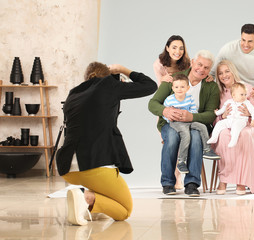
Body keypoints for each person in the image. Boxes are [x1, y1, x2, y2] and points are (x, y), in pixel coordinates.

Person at [56, 62, 157, 225]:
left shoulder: (74, 93)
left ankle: (91, 204)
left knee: (107, 193)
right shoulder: (108, 86)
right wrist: (123, 70)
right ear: (108, 76)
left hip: (68, 168)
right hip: (96, 166)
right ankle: (85, 197)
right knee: (125, 210)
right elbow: (150, 86)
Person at [148, 50, 220, 197]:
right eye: (199, 64)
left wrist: (191, 116)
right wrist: (165, 111)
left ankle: (192, 184)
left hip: (196, 124)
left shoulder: (210, 86)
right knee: (173, 138)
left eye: (206, 68)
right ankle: (168, 183)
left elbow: (211, 114)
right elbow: (152, 103)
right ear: (192, 62)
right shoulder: (174, 79)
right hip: (171, 124)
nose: (202, 69)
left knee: (195, 137)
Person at [212, 23, 254, 140]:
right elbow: (214, 70)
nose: (245, 45)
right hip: (235, 88)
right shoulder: (229, 48)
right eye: (243, 40)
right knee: (229, 124)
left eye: (250, 41)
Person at [212, 60, 254, 195]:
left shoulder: (248, 89)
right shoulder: (219, 93)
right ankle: (223, 179)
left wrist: (249, 115)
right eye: (220, 73)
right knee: (223, 135)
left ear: (233, 72)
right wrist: (222, 115)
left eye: (227, 71)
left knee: (243, 135)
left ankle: (241, 181)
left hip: (247, 125)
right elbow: (215, 117)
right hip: (228, 124)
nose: (224, 75)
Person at [153, 35, 191, 189]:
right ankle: (168, 178)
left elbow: (194, 80)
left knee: (183, 141)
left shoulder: (188, 64)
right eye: (174, 47)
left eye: (181, 48)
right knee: (169, 141)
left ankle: (178, 177)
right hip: (166, 105)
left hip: (184, 105)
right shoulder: (159, 64)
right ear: (167, 48)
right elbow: (160, 89)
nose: (178, 51)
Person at [163, 74, 220, 173]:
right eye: (176, 87)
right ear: (173, 88)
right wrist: (171, 118)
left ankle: (207, 150)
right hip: (176, 123)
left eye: (182, 87)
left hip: (188, 121)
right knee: (186, 135)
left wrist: (190, 116)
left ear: (187, 88)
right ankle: (181, 161)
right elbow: (165, 114)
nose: (179, 89)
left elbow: (193, 110)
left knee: (202, 127)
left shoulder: (189, 98)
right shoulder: (170, 99)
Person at [207, 82, 254, 148]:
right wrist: (217, 113)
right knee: (219, 124)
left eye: (245, 94)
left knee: (235, 127)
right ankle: (214, 137)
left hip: (240, 121)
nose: (244, 97)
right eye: (242, 94)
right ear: (234, 95)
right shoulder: (229, 101)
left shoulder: (247, 103)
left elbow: (253, 111)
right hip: (229, 120)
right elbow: (223, 110)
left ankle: (233, 140)